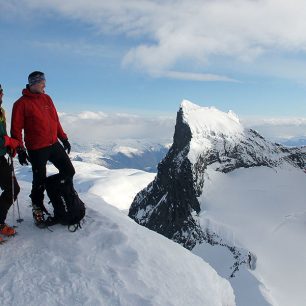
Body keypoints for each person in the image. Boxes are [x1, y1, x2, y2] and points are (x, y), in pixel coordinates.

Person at [11, 71, 75, 228]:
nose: (44, 85)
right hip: (37, 148)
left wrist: (64, 138)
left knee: (69, 171)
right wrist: (20, 149)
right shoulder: (20, 104)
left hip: (54, 144)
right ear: (33, 84)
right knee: (38, 181)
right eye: (42, 82)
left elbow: (55, 121)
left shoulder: (47, 98)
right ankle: (37, 209)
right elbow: (16, 130)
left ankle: (62, 195)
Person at [0, 84, 21, 240]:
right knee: (11, 188)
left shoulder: (1, 112)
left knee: (12, 188)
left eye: (0, 92)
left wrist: (8, 145)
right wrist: (7, 142)